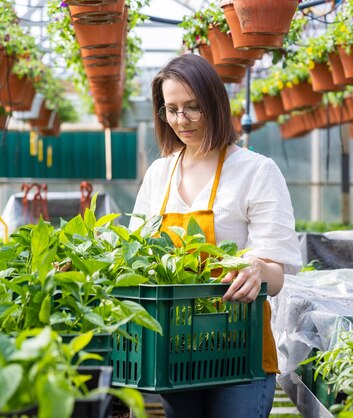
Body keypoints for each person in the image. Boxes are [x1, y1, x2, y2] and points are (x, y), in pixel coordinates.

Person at [129, 54, 303, 418]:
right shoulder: (159, 174)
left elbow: (277, 274)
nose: (181, 120)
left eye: (193, 107)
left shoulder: (256, 171)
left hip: (240, 349)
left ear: (215, 104)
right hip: (173, 351)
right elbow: (135, 257)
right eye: (171, 109)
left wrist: (256, 268)